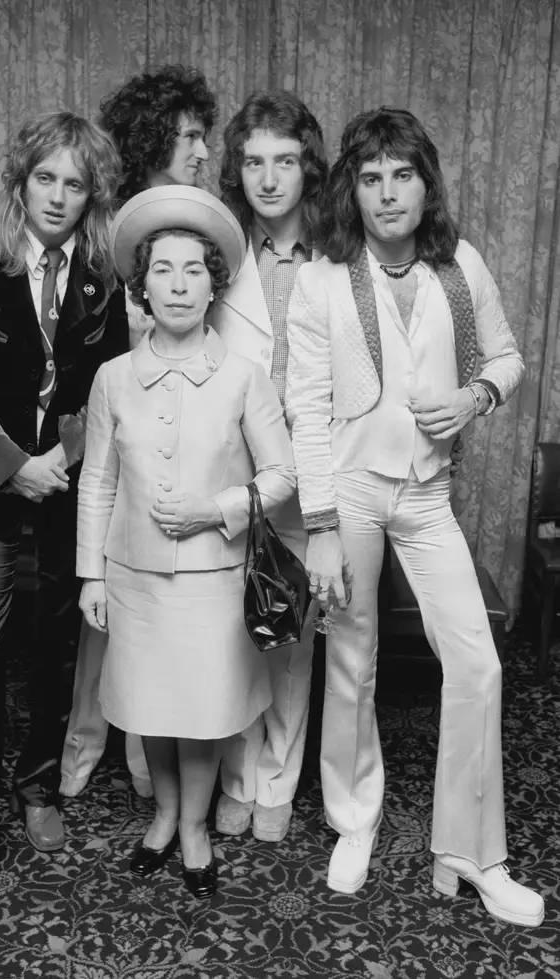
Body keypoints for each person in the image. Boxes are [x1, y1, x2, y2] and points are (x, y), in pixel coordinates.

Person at [285, 106, 544, 927]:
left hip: (427, 495)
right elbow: (307, 407)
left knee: (478, 662)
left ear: (427, 184)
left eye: (403, 175)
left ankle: (469, 849)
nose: (388, 193)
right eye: (370, 178)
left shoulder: (460, 265)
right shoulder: (324, 278)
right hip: (352, 490)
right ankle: (353, 818)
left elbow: (506, 357)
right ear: (351, 190)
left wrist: (474, 395)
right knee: (351, 659)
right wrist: (321, 524)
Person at [0, 111, 128, 920]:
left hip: (64, 498)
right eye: (45, 177)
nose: (57, 195)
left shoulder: (105, 273)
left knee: (51, 655)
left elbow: (104, 389)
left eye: (74, 183)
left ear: (91, 195)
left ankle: (38, 787)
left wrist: (61, 464)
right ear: (22, 179)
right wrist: (16, 465)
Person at [76, 184, 296, 898]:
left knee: (201, 714)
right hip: (133, 576)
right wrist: (91, 575)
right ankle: (165, 815)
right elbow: (98, 484)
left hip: (213, 578)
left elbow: (282, 475)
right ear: (142, 286)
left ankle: (195, 825)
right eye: (162, 270)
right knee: (152, 709)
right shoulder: (112, 379)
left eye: (193, 269)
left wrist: (215, 508)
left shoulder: (242, 377)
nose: (177, 283)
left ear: (214, 284)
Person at [60, 65, 217, 800]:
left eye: (204, 136)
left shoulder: (203, 227)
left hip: (186, 454)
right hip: (110, 439)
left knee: (162, 629)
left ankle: (146, 766)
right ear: (155, 137)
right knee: (103, 615)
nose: (202, 151)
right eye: (190, 135)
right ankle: (83, 750)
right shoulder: (108, 230)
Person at [207, 91, 327, 844]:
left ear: (308, 167)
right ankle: (237, 776)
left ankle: (279, 777)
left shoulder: (339, 253)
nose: (269, 178)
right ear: (237, 169)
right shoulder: (221, 251)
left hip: (312, 466)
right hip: (235, 466)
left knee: (293, 628)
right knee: (231, 626)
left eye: (285, 161)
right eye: (254, 161)